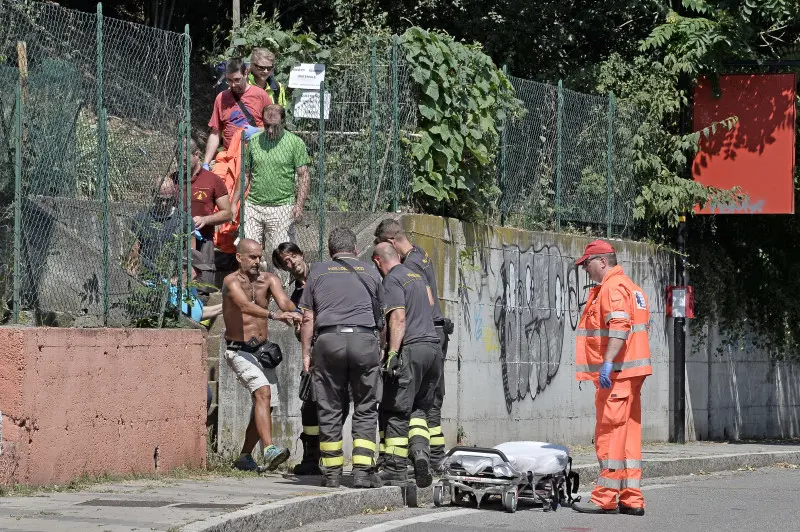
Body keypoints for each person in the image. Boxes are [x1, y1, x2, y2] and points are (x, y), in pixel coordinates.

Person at [571, 240, 652, 517]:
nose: (585, 270)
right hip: (632, 373)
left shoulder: (612, 288)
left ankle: (604, 497)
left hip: (617, 374)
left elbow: (619, 326)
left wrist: (607, 363)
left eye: (587, 264)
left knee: (610, 432)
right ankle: (631, 497)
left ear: (603, 261)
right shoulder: (633, 288)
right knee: (628, 433)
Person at [298, 227, 383, 488]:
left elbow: (308, 317)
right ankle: (362, 472)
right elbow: (383, 316)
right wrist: (380, 347)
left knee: (330, 406)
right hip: (364, 339)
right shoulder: (371, 271)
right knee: (366, 406)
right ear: (356, 249)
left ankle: (332, 473)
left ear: (330, 251)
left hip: (328, 340)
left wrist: (306, 354)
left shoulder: (318, 271)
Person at [373, 219, 451, 469]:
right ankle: (426, 455)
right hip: (433, 339)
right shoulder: (421, 256)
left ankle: (395, 463)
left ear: (390, 244)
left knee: (398, 404)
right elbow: (429, 300)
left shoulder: (403, 271)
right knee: (422, 404)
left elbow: (398, 317)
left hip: (416, 340)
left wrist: (392, 352)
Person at [222, 238, 301, 472]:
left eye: (260, 256)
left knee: (267, 405)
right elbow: (244, 306)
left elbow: (285, 302)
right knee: (263, 392)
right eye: (252, 257)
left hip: (262, 351)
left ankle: (245, 457)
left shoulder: (269, 279)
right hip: (239, 351)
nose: (258, 261)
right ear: (239, 258)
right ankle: (269, 450)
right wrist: (275, 316)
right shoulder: (230, 282)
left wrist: (298, 315)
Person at [232, 104, 310, 270]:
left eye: (274, 126)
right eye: (266, 125)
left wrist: (299, 205)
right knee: (248, 250)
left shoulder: (295, 143)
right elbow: (245, 175)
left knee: (280, 253)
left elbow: (304, 176)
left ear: (283, 122)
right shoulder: (254, 142)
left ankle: (279, 290)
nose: (269, 130)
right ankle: (250, 288)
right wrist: (233, 204)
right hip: (254, 205)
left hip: (282, 206)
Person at [272, 242, 321, 475]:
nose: (291, 263)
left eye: (292, 256)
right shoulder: (297, 294)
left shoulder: (323, 276)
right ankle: (312, 458)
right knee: (310, 405)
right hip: (315, 353)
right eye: (286, 262)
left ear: (301, 254)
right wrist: (297, 325)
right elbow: (299, 331)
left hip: (334, 346)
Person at [203, 58, 272, 168]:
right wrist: (206, 163)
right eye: (229, 80)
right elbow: (215, 133)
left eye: (237, 79)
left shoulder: (261, 95)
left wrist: (258, 131)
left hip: (257, 157)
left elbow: (275, 128)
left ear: (245, 74)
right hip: (229, 157)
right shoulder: (221, 98)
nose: (233, 85)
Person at [183, 138, 232, 283]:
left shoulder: (213, 180)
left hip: (203, 241)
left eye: (185, 160)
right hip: (178, 242)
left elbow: (228, 213)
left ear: (196, 154)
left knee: (203, 287)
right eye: (177, 159)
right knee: (177, 286)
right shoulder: (174, 179)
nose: (181, 164)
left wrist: (205, 220)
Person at [127, 177, 184, 276]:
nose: (164, 204)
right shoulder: (141, 219)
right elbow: (134, 252)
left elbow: (192, 257)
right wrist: (131, 272)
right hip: (146, 275)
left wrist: (181, 280)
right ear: (153, 194)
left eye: (168, 199)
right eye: (160, 199)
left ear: (174, 196)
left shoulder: (184, 220)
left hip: (173, 278)